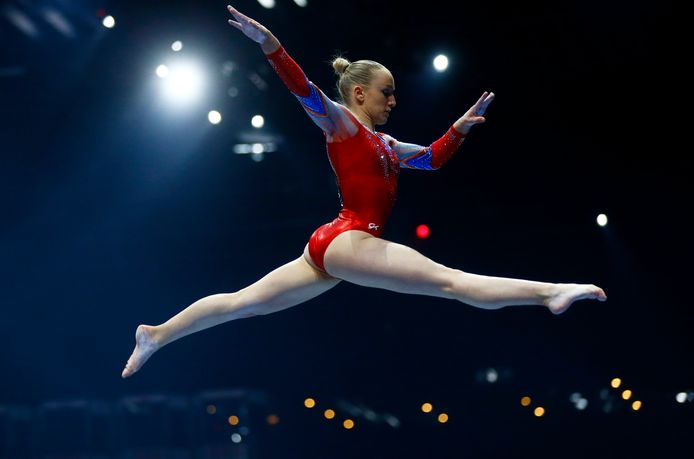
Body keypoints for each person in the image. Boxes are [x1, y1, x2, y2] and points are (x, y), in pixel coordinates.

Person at [121, 5, 606, 378]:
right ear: (359, 93)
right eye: (386, 92)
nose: (394, 100)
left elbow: (433, 159)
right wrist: (268, 42)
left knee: (243, 302)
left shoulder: (387, 144)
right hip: (350, 238)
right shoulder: (338, 123)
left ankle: (156, 334)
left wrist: (458, 128)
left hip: (332, 245)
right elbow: (301, 86)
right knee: (451, 282)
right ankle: (550, 292)